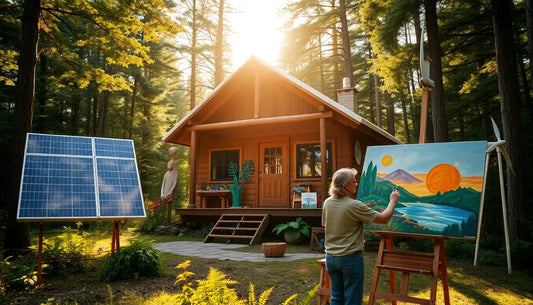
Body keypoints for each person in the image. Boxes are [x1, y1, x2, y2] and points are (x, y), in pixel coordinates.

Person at [322, 168, 400, 305]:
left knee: (336, 298)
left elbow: (327, 225)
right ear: (346, 186)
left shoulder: (327, 202)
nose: (357, 184)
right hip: (349, 259)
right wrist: (393, 201)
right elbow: (384, 218)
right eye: (354, 182)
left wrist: (359, 210)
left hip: (331, 258)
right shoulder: (354, 205)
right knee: (353, 301)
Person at [161, 147, 179, 223]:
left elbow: (174, 183)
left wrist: (171, 192)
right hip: (164, 193)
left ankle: (169, 220)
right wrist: (161, 193)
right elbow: (163, 184)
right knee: (164, 206)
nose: (169, 165)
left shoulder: (175, 173)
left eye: (171, 164)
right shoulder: (166, 174)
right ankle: (164, 220)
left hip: (169, 193)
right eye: (168, 164)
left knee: (169, 206)